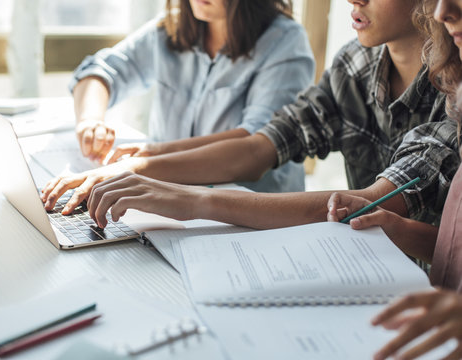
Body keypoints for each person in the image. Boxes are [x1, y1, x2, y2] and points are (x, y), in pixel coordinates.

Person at [42, 0, 459, 235]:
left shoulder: (454, 93)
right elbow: (265, 144)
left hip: (430, 297)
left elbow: (367, 204)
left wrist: (190, 198)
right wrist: (133, 166)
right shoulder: (356, 63)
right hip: (362, 266)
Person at [328, 0, 462, 358]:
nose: (442, 12)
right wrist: (400, 229)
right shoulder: (458, 96)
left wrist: (199, 201)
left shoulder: (446, 97)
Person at [69, 0, 314, 194]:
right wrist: (90, 121)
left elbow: (258, 142)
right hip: (168, 198)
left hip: (251, 217)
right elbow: (100, 71)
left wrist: (149, 157)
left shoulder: (285, 42)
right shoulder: (171, 27)